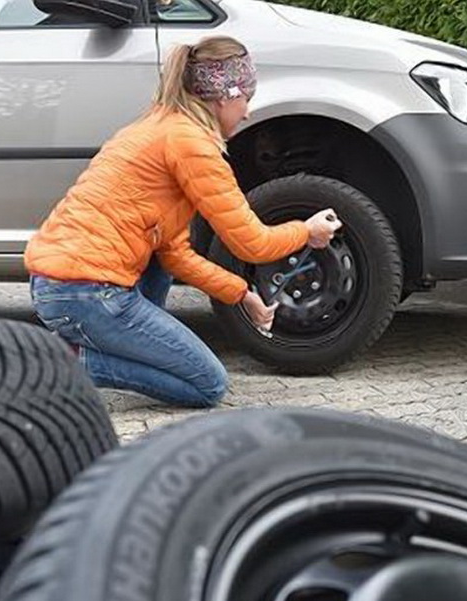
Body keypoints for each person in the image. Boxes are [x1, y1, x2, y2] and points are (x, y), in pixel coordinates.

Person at [26, 35, 342, 408]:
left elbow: (174, 254)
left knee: (159, 264)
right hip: (89, 293)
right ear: (225, 95)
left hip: (59, 285)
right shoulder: (192, 144)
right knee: (207, 384)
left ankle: (115, 349)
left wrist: (243, 295)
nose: (247, 113)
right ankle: (57, 362)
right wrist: (307, 231)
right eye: (246, 100)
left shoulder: (160, 126)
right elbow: (252, 244)